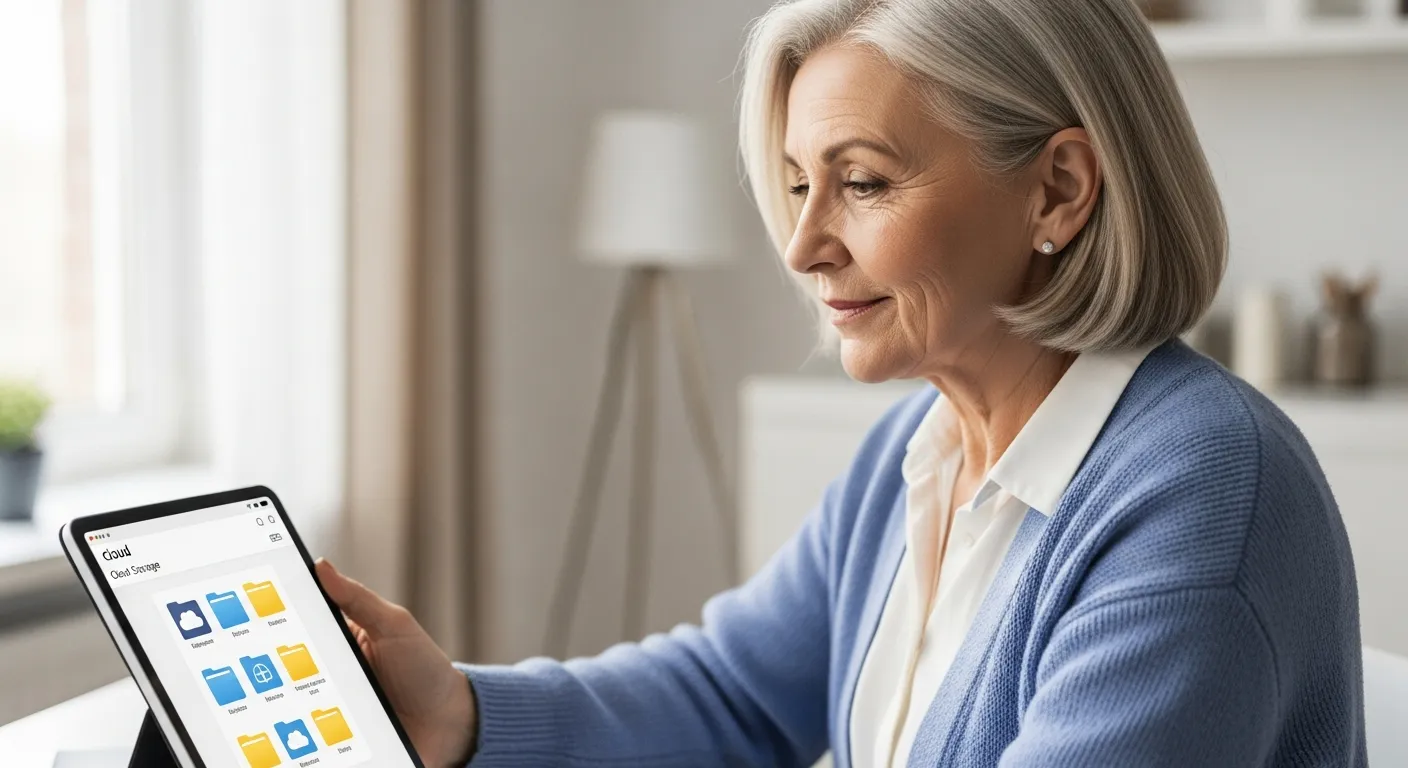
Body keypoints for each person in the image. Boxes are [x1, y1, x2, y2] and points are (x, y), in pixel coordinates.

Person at [316, 0, 1366, 765]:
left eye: (861, 182)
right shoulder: (917, 451)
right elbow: (733, 694)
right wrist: (458, 713)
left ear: (1057, 191)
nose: (803, 245)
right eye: (796, 184)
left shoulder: (1202, 494)